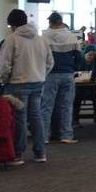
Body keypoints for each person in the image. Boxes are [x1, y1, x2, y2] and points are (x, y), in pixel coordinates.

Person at [0, 9, 54, 165]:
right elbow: (50, 63)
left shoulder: (12, 39)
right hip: (38, 82)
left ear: (13, 25)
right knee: (36, 116)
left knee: (19, 118)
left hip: (17, 84)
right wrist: (41, 75)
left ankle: (18, 154)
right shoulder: (41, 39)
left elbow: (5, 66)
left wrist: (4, 81)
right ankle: (40, 153)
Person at [41, 12, 82, 145]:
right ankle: (66, 135)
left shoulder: (44, 37)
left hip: (50, 74)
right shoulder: (71, 36)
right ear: (60, 21)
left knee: (47, 106)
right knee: (66, 106)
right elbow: (79, 56)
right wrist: (74, 68)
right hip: (68, 74)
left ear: (51, 23)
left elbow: (41, 57)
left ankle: (45, 136)